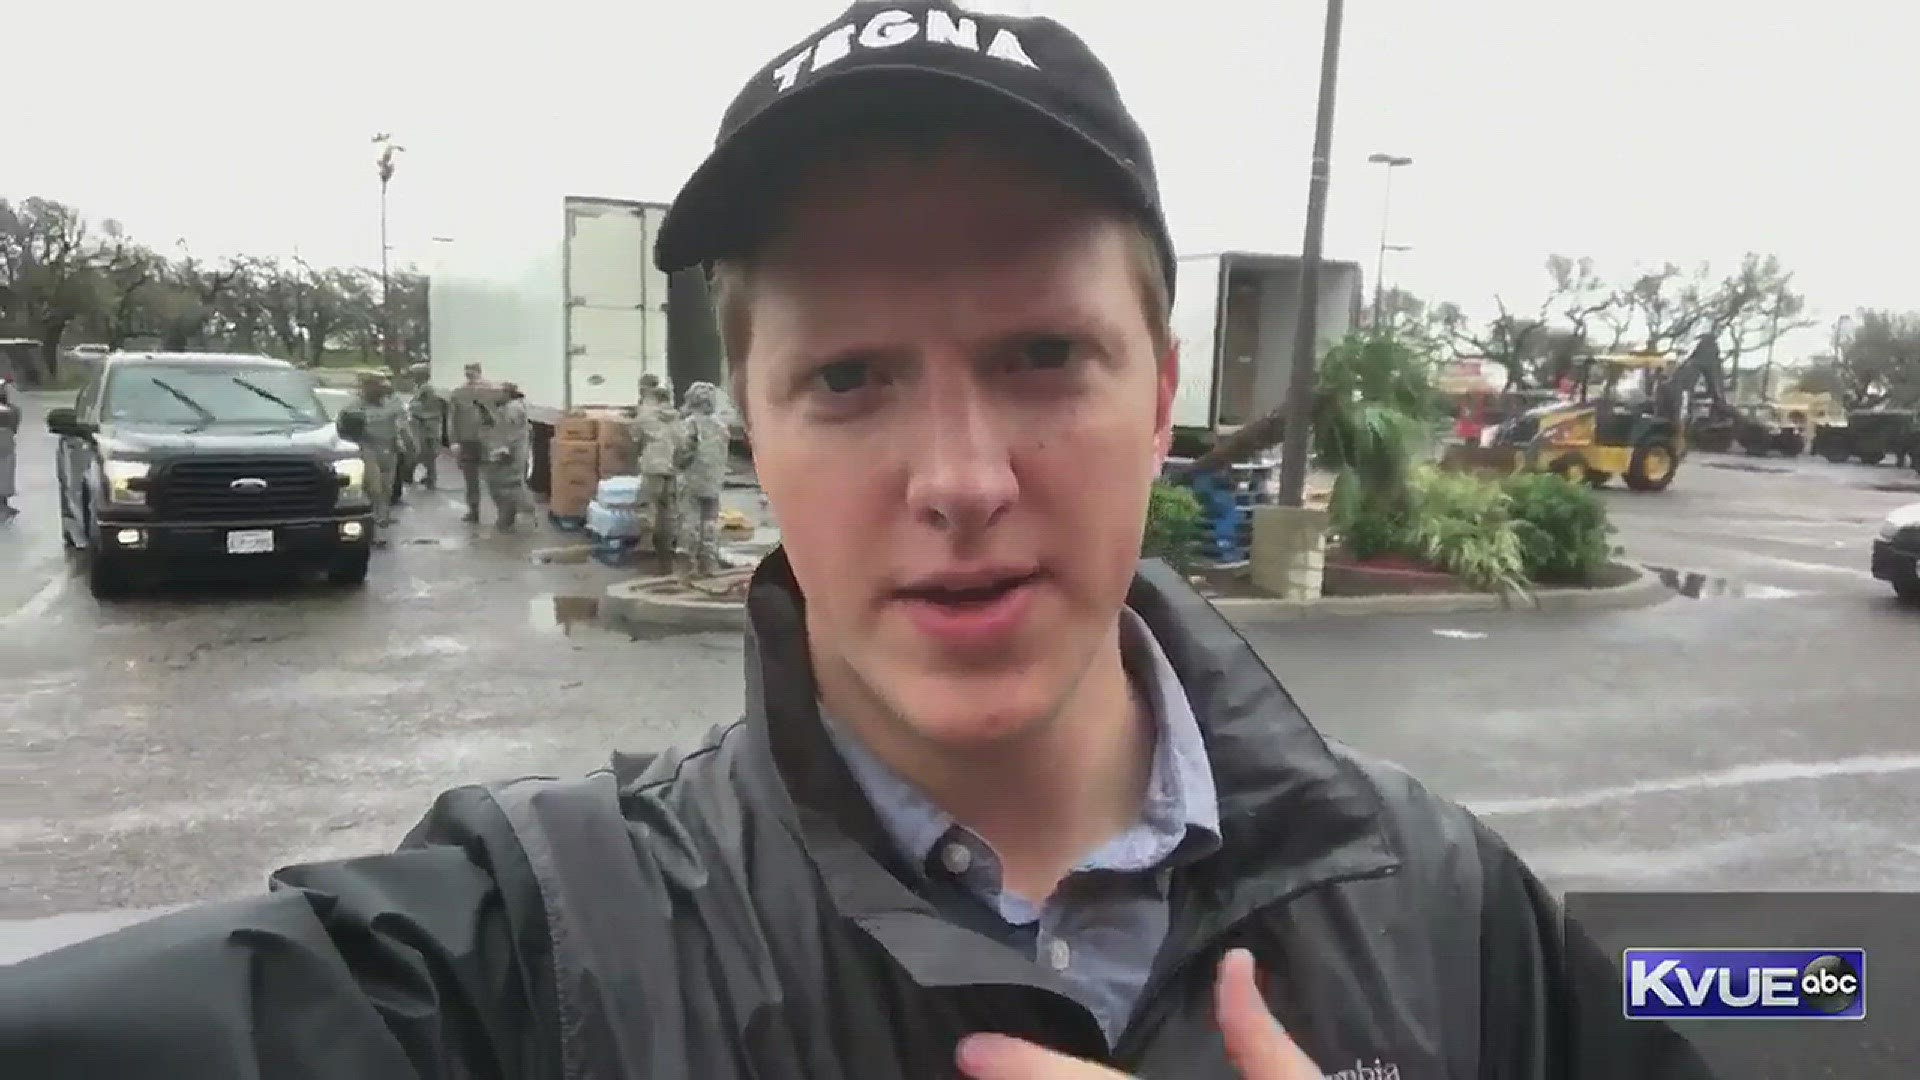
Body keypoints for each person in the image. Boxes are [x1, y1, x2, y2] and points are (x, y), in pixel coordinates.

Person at [0, 5, 1712, 1079]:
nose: (960, 477)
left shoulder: (1453, 917)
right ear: (751, 415)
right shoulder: (544, 961)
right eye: (850, 378)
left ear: (1164, 387)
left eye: (1043, 355)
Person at [673, 380, 728, 578]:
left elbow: (682, 453)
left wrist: (678, 466)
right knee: (710, 522)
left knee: (689, 521)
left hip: (692, 480)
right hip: (713, 481)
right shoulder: (721, 427)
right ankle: (709, 562)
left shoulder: (690, 424)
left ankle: (686, 564)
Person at [343, 372, 406, 547]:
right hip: (367, 448)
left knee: (387, 488)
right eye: (374, 385)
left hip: (388, 449)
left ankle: (382, 520)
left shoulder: (393, 404)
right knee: (374, 488)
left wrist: (406, 445)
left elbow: (401, 426)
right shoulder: (354, 407)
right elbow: (344, 431)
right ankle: (376, 530)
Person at [634, 381, 680, 563]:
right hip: (671, 467)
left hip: (652, 466)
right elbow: (682, 442)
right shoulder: (676, 417)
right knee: (668, 507)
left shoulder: (646, 415)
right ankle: (668, 543)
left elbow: (635, 435)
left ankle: (646, 543)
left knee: (648, 504)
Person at [481, 380, 532, 531]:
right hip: (514, 452)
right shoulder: (513, 406)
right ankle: (512, 518)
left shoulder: (512, 408)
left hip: (510, 454)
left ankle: (508, 521)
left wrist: (502, 451)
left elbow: (508, 432)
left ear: (506, 394)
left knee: (504, 487)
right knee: (509, 486)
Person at [447, 362, 493, 523]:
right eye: (468, 373)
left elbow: (501, 417)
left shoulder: (492, 392)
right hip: (467, 440)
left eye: (473, 373)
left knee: (495, 478)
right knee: (471, 479)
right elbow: (451, 419)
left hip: (488, 441)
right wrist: (453, 441)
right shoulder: (458, 393)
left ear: (480, 372)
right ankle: (474, 510)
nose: (471, 376)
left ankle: (505, 512)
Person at [405, 363, 450, 489]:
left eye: (414, 375)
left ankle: (429, 477)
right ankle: (429, 476)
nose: (412, 378)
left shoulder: (426, 389)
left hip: (427, 423)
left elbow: (427, 407)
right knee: (425, 451)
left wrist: (414, 410)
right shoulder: (421, 388)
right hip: (424, 423)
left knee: (425, 451)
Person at [0, 379, 19, 520]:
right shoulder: (12, 410)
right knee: (6, 471)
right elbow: (14, 427)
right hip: (6, 440)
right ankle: (3, 504)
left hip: (6, 441)